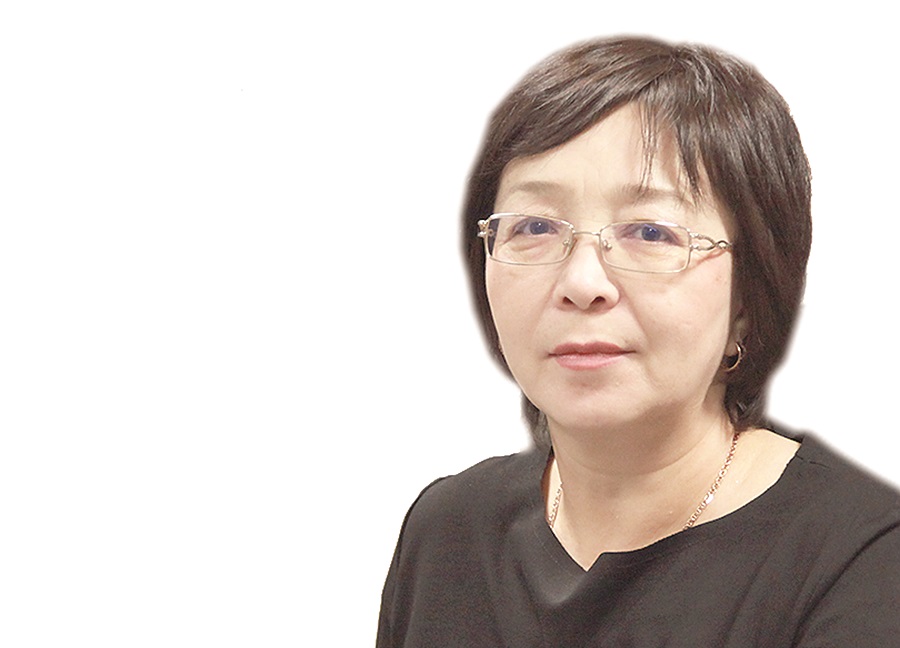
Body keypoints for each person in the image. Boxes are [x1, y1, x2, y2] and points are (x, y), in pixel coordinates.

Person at [376, 36, 900, 646]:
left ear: (749, 298)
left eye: (651, 232)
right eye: (535, 226)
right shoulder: (447, 532)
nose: (582, 284)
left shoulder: (862, 564)